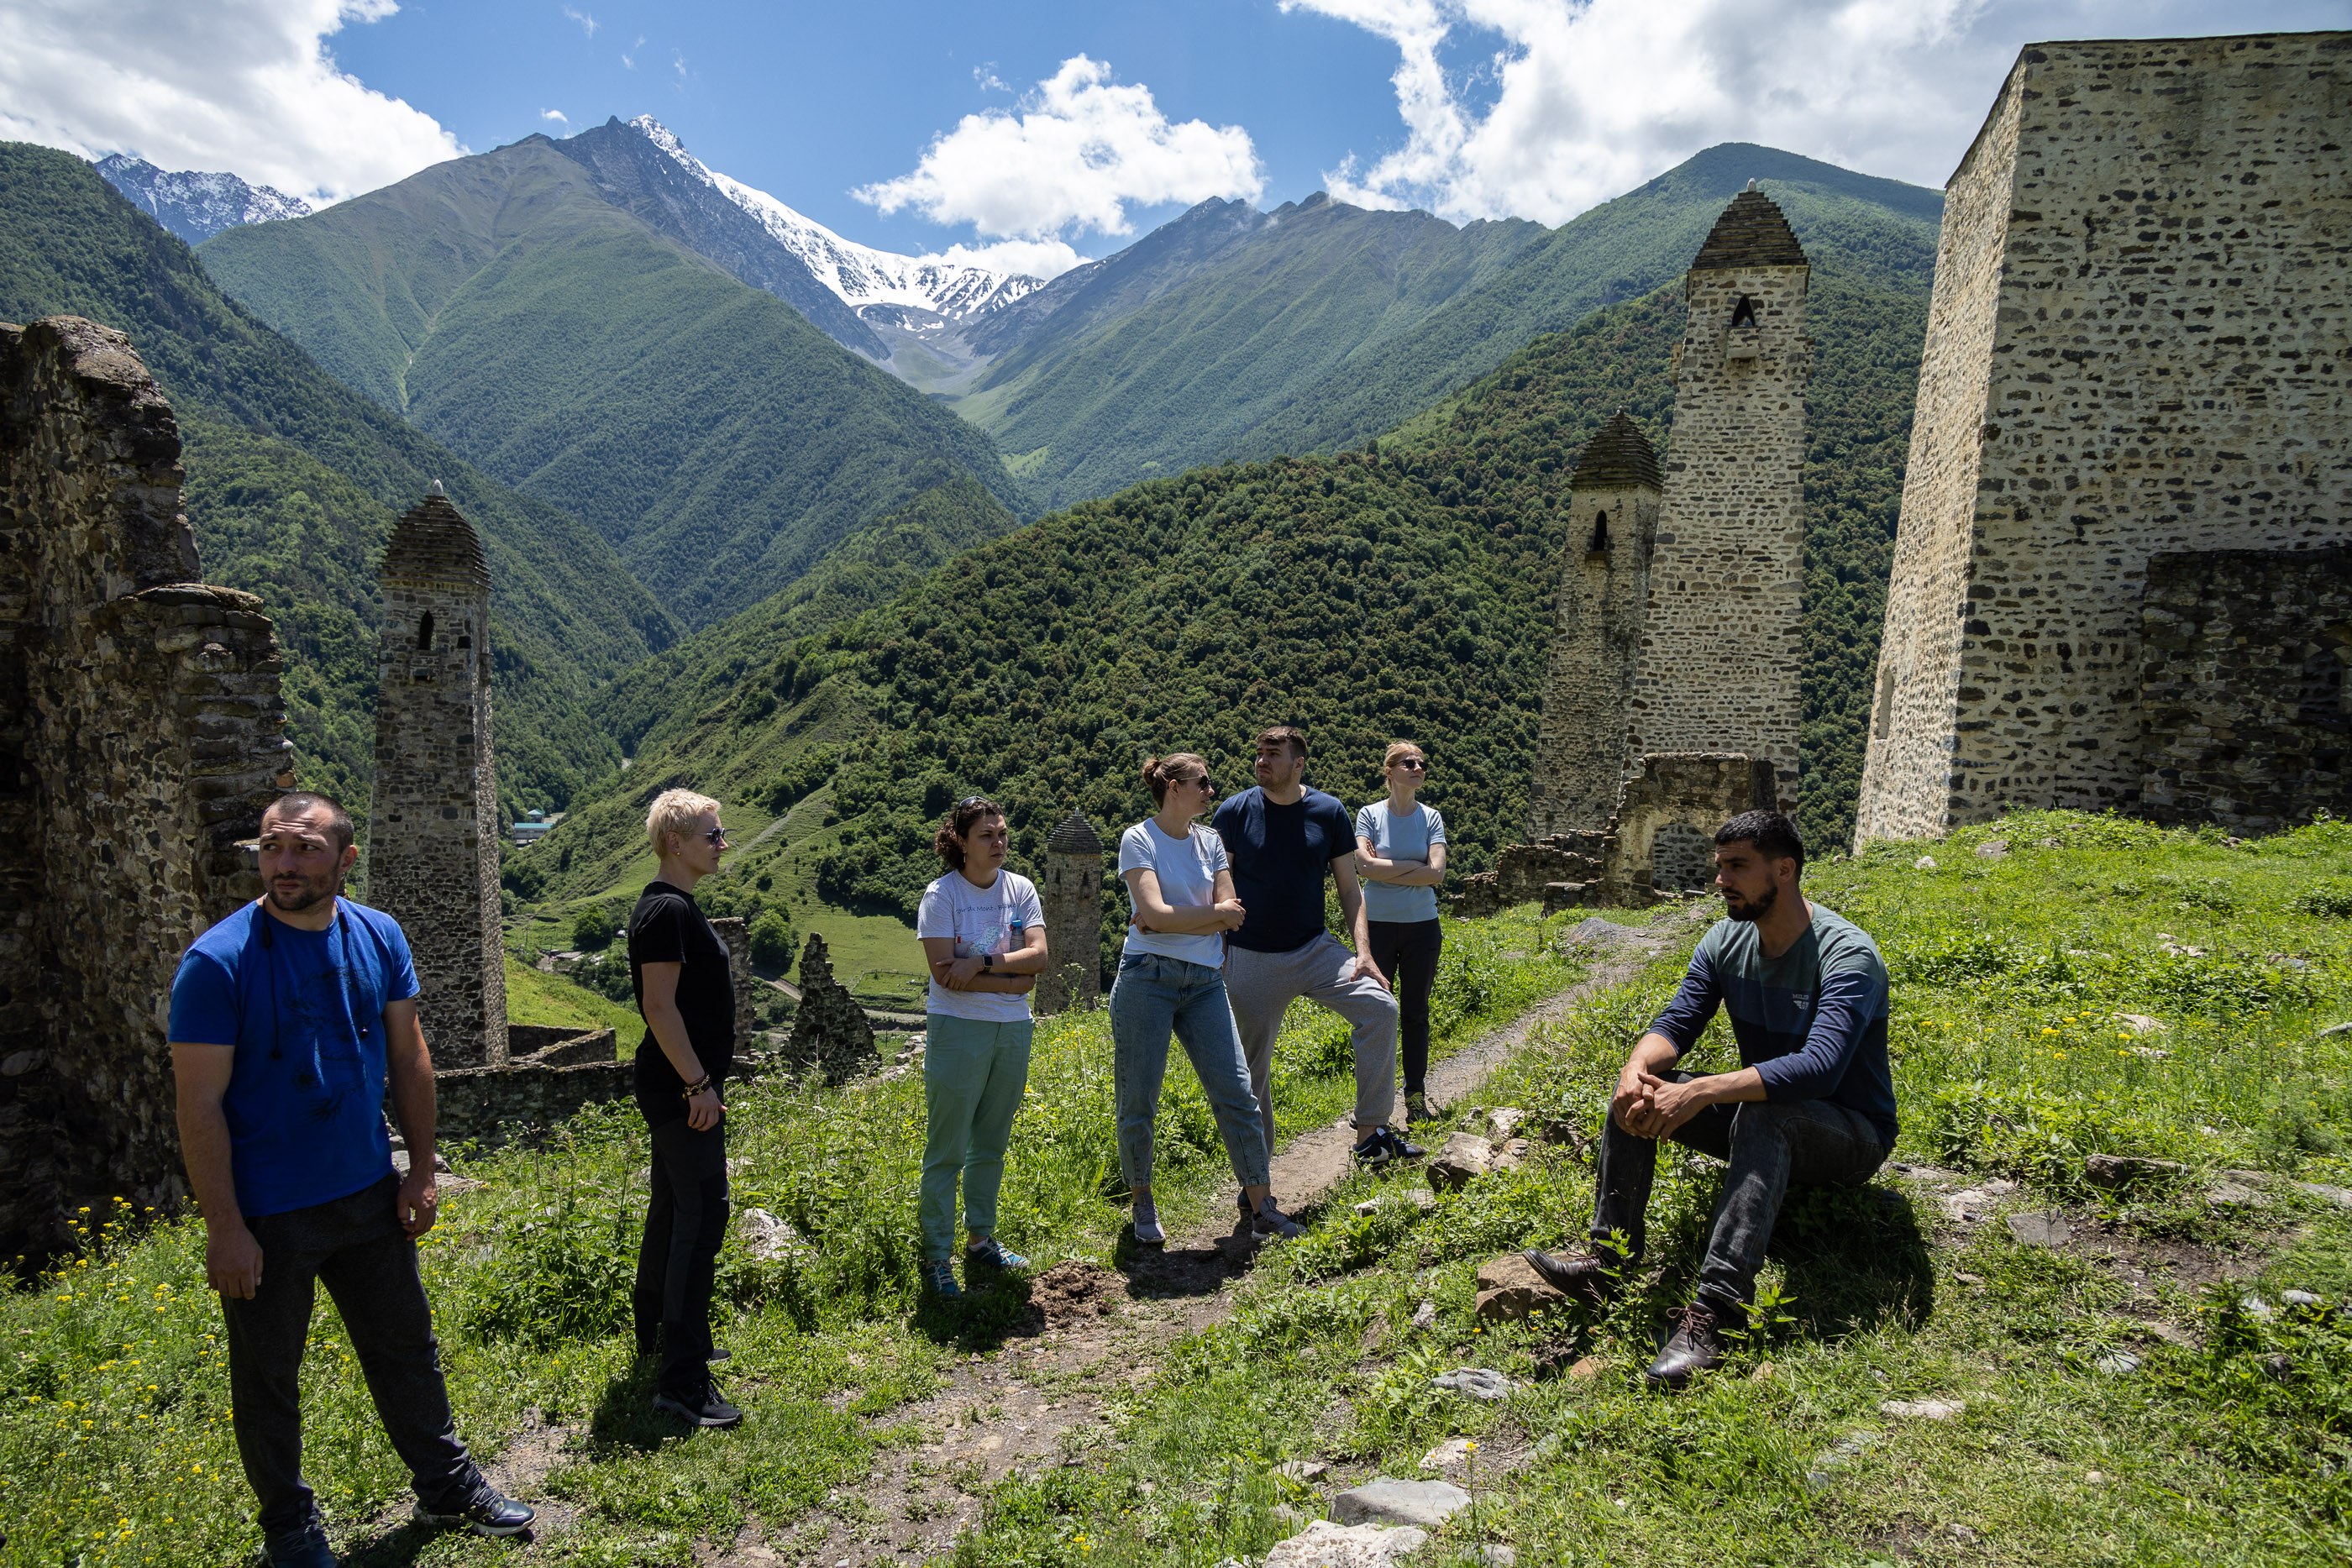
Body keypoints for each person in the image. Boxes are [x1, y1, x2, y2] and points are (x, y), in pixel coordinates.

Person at [168, 793, 533, 1568]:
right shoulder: (217, 962)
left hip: (368, 1187)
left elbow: (409, 1056)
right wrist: (224, 1226)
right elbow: (197, 1103)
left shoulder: (378, 934)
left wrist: (420, 1171)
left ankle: (445, 1485)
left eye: (305, 847)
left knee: (406, 1346)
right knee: (269, 1379)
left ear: (345, 858)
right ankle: (289, 1528)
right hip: (268, 1210)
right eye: (272, 846)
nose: (284, 863)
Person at [1522, 810, 1897, 1387]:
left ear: (1785, 869)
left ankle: (1719, 1311)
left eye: (1737, 866)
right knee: (1644, 1090)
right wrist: (1635, 1069)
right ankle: (1608, 1262)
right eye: (1719, 866)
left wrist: (1699, 1090)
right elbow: (1678, 1021)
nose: (1721, 880)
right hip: (1767, 1115)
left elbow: (1821, 1067)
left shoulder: (1846, 955)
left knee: (1767, 1112)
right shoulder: (1726, 941)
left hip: (1850, 1133)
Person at [1213, 726, 1419, 1197]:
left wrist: (1364, 953)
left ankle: (1371, 1135)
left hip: (1314, 949)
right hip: (1251, 955)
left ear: (1298, 763)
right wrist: (1219, 952)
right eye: (1259, 752)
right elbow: (1219, 887)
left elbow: (1350, 888)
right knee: (1251, 1072)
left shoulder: (1327, 812)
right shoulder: (1235, 811)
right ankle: (1256, 1178)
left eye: (1273, 754)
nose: (1262, 761)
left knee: (1380, 1008)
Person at [1112, 755, 1305, 1245]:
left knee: (1238, 1092)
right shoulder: (1139, 839)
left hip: (1203, 980)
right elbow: (1159, 913)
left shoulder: (1211, 840)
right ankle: (1142, 1201)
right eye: (1202, 783)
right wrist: (1201, 916)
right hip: (1147, 976)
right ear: (1174, 788)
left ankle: (1263, 1208)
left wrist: (1172, 919)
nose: (1210, 791)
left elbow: (1231, 914)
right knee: (1139, 1097)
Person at [626, 788, 743, 1428]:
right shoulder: (668, 910)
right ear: (675, 843)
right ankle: (683, 1378)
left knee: (674, 1211)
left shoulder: (672, 905)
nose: (723, 844)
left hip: (677, 1086)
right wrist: (699, 1084)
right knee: (702, 1216)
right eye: (712, 835)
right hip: (681, 1089)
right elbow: (659, 1006)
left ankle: (663, 1336)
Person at [916, 795, 1050, 1296]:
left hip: (1012, 1029)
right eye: (986, 835)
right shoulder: (942, 896)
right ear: (961, 842)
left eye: (1002, 833)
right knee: (947, 1148)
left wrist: (981, 964)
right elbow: (944, 976)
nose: (998, 843)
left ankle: (980, 1240)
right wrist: (1013, 981)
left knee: (991, 1142)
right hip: (958, 1028)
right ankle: (936, 1256)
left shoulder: (1021, 889)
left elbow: (1038, 957)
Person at [1353, 742, 1448, 1125]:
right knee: (1375, 1013)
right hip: (1376, 926)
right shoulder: (1369, 814)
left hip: (1422, 927)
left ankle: (1415, 1097)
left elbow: (1437, 874)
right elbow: (1363, 867)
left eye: (1422, 763)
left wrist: (1387, 866)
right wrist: (1415, 866)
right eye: (1409, 763)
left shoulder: (1431, 817)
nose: (1418, 767)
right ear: (1389, 771)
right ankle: (1371, 1105)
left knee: (1415, 1014)